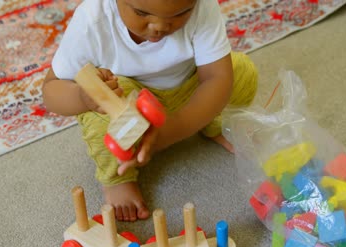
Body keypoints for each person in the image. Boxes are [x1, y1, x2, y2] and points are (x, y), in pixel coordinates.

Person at [42, 0, 257, 222]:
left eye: (181, 12)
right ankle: (118, 178)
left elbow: (216, 78)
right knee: (100, 121)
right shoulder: (91, 20)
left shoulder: (203, 6)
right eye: (141, 12)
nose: (160, 26)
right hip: (128, 101)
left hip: (188, 88)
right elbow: (50, 91)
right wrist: (83, 97)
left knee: (240, 72)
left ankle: (210, 121)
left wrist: (170, 130)